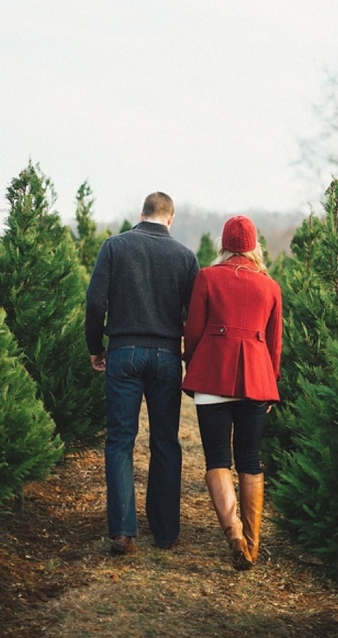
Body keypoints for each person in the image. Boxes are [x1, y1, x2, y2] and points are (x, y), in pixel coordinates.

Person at [85, 191, 198, 555]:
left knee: (120, 441)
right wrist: (188, 356)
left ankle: (122, 532)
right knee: (165, 441)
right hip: (166, 355)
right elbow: (195, 315)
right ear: (170, 218)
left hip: (123, 352)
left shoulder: (115, 247)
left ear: (141, 214)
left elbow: (95, 302)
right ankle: (165, 532)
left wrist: (94, 347)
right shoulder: (184, 256)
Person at [182, 215, 282, 570]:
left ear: (224, 245)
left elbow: (193, 330)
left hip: (213, 375)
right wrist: (271, 383)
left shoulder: (207, 277)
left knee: (217, 459)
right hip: (257, 378)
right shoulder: (270, 286)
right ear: (255, 246)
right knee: (250, 459)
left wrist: (193, 364)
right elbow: (274, 343)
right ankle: (253, 546)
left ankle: (234, 535)